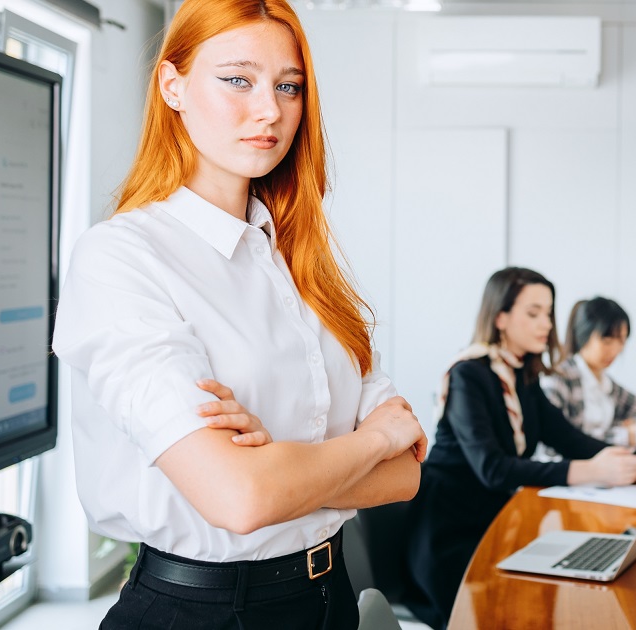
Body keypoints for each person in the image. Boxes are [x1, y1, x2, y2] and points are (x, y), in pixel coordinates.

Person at [51, 2, 426, 627]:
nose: (269, 110)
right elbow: (240, 496)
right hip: (204, 608)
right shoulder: (121, 257)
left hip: (330, 594)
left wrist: (280, 460)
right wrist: (371, 440)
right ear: (174, 86)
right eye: (237, 79)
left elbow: (405, 477)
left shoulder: (295, 259)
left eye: (288, 86)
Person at [405, 268, 636, 630]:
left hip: (497, 520)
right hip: (453, 534)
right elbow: (493, 469)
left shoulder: (523, 375)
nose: (547, 324)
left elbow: (569, 439)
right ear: (501, 317)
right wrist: (590, 471)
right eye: (534, 313)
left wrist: (623, 460)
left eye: (549, 313)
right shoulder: (468, 375)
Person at [540, 297, 636, 449]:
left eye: (621, 341)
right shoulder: (559, 380)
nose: (615, 350)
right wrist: (623, 434)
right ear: (584, 335)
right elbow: (558, 443)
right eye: (607, 341)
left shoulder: (606, 383)